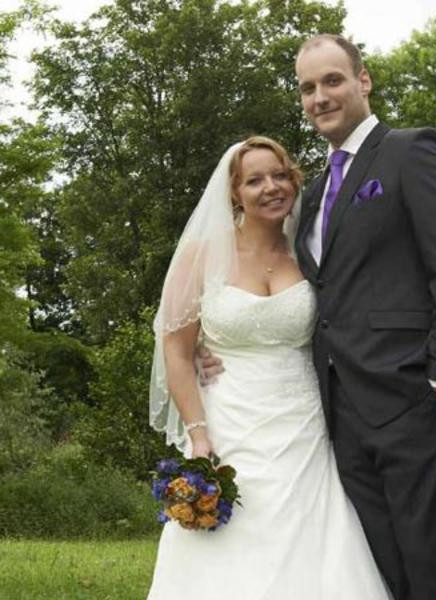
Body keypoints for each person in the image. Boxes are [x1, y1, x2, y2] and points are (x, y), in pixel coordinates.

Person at [146, 136, 392, 599]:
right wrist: (198, 435)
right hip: (230, 421)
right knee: (232, 539)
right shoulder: (202, 254)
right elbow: (176, 351)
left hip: (305, 423)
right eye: (255, 180)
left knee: (313, 534)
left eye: (280, 175)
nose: (271, 187)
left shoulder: (311, 252)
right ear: (234, 193)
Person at [293, 34, 436, 600]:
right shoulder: (315, 189)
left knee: (432, 565)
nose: (320, 97)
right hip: (342, 411)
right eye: (308, 88)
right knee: (381, 569)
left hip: (413, 398)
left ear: (363, 80)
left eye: (332, 80)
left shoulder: (410, 150)